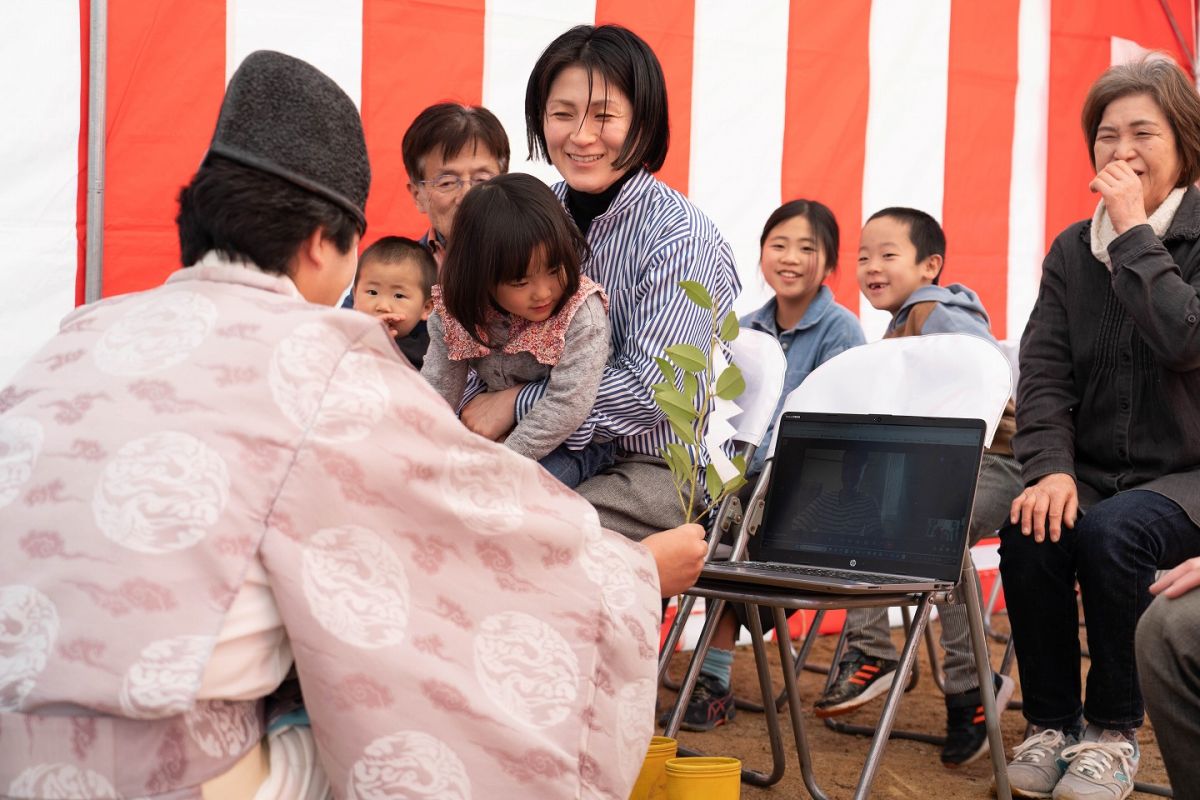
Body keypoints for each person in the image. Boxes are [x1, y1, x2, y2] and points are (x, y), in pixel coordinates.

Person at [0, 51, 708, 800]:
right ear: (320, 245)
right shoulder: (325, 360)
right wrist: (632, 574)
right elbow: (468, 533)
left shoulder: (70, 339)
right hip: (161, 772)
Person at [999, 56, 1200, 800]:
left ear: (1183, 144)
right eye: (1107, 135)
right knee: (1034, 525)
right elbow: (1044, 374)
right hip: (1090, 469)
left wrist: (1133, 236)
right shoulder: (1066, 253)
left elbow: (1185, 337)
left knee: (1116, 532)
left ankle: (1114, 733)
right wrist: (1049, 467)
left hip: (1185, 478)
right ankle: (1052, 724)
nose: (1122, 152)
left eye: (1143, 133)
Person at [459, 24, 741, 539]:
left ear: (644, 121)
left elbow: (655, 388)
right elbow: (479, 335)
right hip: (538, 445)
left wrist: (515, 403)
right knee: (437, 507)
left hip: (654, 468)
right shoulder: (529, 214)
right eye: (562, 114)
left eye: (605, 116)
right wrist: (474, 404)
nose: (581, 135)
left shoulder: (681, 235)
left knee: (525, 530)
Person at [812, 207, 1021, 768]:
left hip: (999, 464)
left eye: (887, 255)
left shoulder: (936, 312)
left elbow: (977, 373)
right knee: (883, 512)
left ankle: (955, 680)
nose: (870, 266)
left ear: (930, 265)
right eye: (862, 257)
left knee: (933, 527)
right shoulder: (900, 324)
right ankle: (913, 666)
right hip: (946, 473)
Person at [673, 199, 864, 732]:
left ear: (829, 264)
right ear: (760, 255)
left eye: (808, 248)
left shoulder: (841, 331)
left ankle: (711, 680)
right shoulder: (745, 329)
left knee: (731, 531)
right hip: (738, 479)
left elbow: (836, 432)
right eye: (778, 245)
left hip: (810, 485)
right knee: (694, 516)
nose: (791, 258)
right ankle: (672, 665)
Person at [422, 172, 616, 488]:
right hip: (494, 434)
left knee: (502, 499)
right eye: (520, 282)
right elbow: (437, 388)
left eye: (554, 271)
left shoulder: (581, 314)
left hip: (570, 445)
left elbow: (568, 404)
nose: (543, 292)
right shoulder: (459, 310)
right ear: (481, 276)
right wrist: (416, 448)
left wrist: (502, 463)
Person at [340, 102, 510, 368]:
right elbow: (339, 352)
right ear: (417, 195)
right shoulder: (388, 273)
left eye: (481, 180)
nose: (466, 196)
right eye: (446, 182)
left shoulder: (536, 261)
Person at [351, 235, 436, 368]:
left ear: (426, 308)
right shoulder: (342, 340)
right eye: (372, 292)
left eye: (399, 296)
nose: (383, 307)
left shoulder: (431, 352)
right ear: (355, 296)